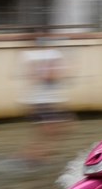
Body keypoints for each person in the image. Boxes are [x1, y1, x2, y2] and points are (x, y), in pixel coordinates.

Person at [19, 34, 70, 163]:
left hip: (45, 100)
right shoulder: (41, 55)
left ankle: (35, 154)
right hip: (41, 101)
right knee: (52, 129)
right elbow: (46, 76)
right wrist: (48, 73)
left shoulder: (48, 54)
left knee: (54, 129)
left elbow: (52, 75)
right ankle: (33, 156)